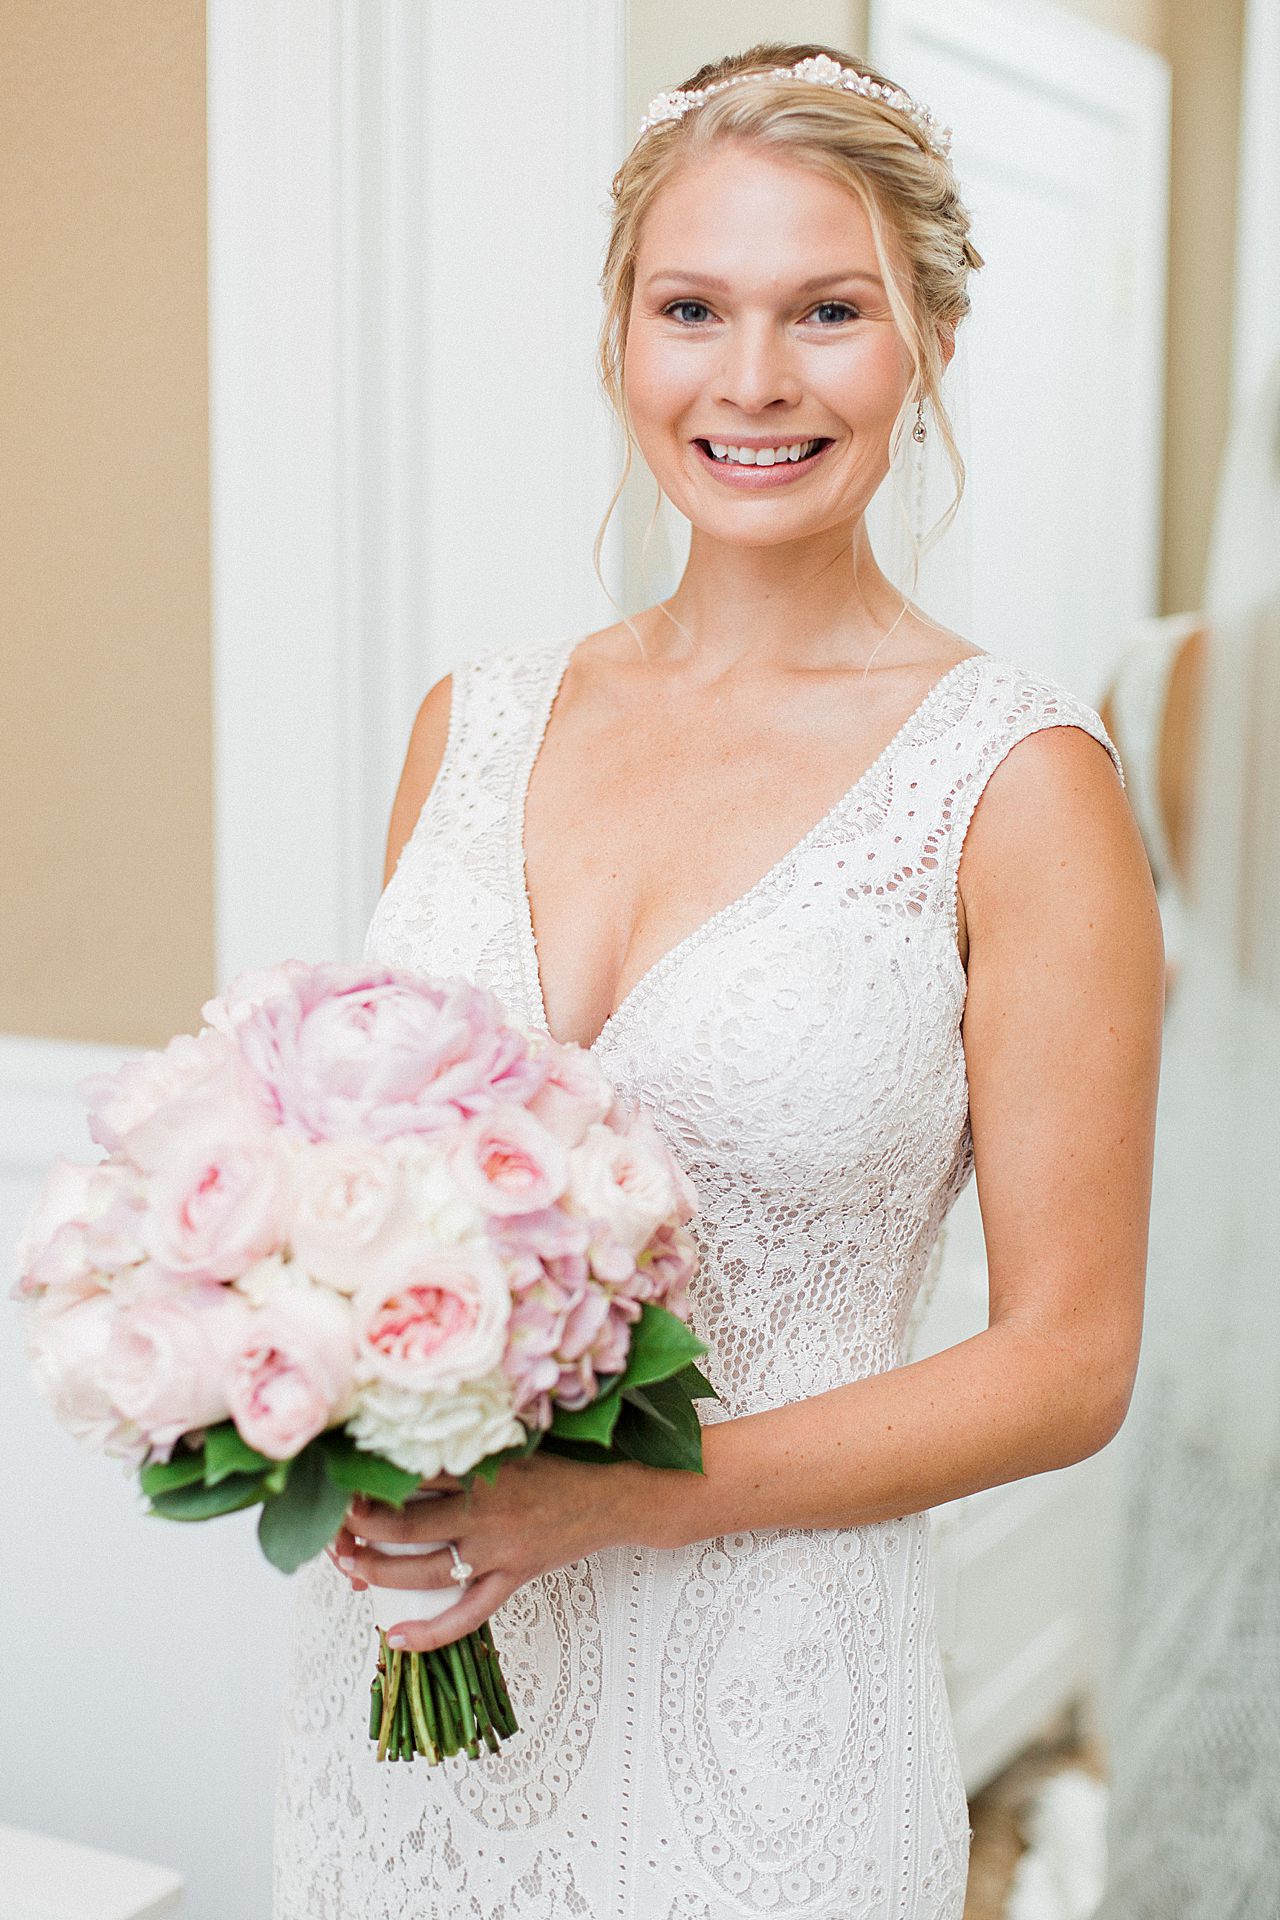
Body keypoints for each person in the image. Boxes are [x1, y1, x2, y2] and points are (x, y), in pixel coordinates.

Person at [271, 43, 1164, 1919]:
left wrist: (593, 1501)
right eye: (694, 308)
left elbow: (1066, 1365)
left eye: (826, 311)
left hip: (767, 1727)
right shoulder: (475, 722)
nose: (752, 379)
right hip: (413, 1695)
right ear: (621, 339)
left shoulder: (1019, 784)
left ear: (921, 339)